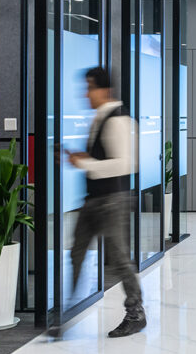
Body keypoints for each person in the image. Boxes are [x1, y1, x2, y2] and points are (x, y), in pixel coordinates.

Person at [61, 67, 145, 338]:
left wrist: (84, 163)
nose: (85, 94)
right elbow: (103, 156)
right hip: (94, 199)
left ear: (104, 90)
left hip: (112, 200)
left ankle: (136, 313)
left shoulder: (119, 120)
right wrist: (82, 157)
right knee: (76, 253)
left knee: (119, 259)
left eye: (89, 88)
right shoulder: (99, 118)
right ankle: (64, 313)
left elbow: (126, 164)